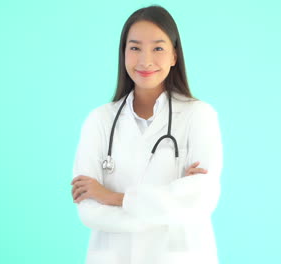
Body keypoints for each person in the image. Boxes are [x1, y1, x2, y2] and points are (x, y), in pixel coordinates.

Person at [71, 5, 223, 264]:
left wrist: (113, 197)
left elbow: (202, 197)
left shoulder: (199, 115)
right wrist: (171, 204)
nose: (145, 60)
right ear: (123, 54)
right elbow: (88, 211)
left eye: (158, 48)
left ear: (175, 55)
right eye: (135, 48)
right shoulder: (99, 120)